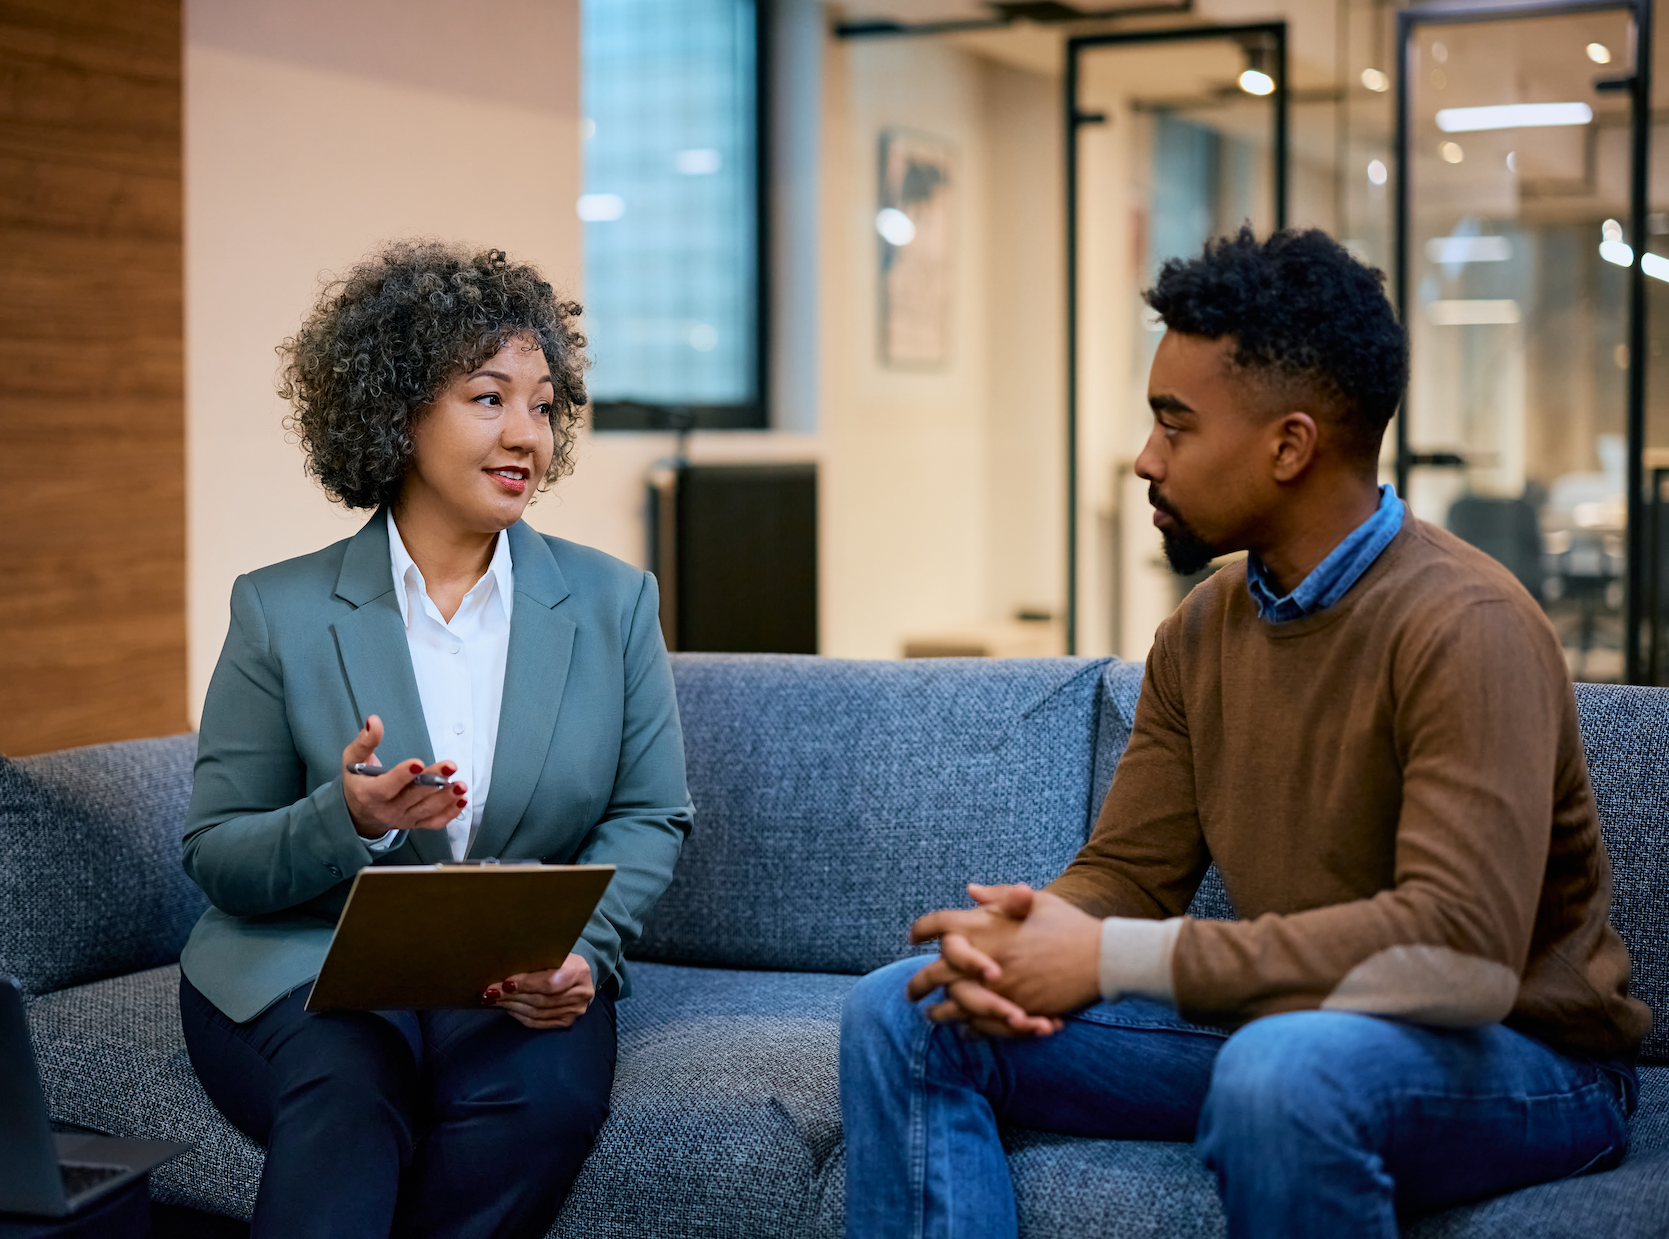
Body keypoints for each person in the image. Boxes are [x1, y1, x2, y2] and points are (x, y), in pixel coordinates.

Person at [839, 227, 1649, 1238]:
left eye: (1174, 426)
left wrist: (1115, 958)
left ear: (1289, 445)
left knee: (1278, 1072)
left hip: (1518, 1058)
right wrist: (1031, 938)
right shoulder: (1203, 630)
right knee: (904, 1011)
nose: (1144, 458)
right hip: (1290, 1030)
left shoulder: (1466, 626)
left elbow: (1459, 952)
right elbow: (1128, 878)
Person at [177, 240, 692, 1239]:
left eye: (543, 405)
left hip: (510, 972)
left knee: (544, 1098)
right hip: (303, 962)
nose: (527, 436)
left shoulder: (612, 602)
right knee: (346, 1091)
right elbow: (218, 850)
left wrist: (582, 949)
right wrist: (349, 818)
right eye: (488, 397)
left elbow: (648, 812)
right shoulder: (278, 609)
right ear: (398, 409)